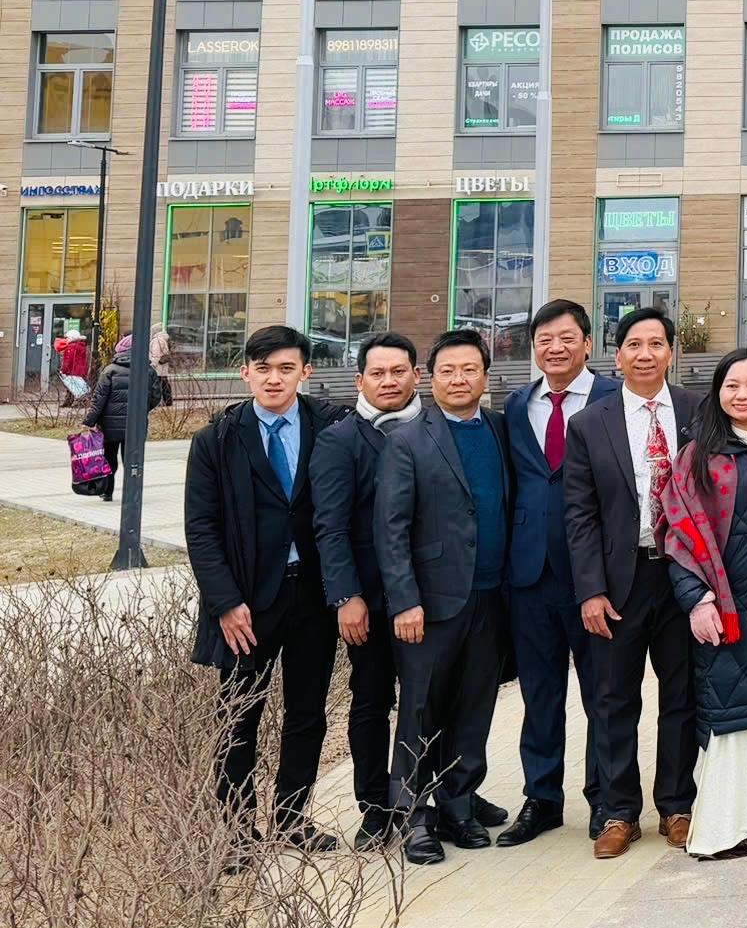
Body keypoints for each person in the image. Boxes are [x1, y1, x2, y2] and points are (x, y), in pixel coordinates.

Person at [183, 322, 344, 853]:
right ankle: (236, 833)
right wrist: (225, 602)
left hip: (313, 597)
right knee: (238, 718)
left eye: (286, 368)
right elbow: (201, 529)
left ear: (305, 372)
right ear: (245, 372)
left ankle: (293, 819)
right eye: (264, 369)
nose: (274, 379)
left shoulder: (330, 427)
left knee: (307, 712)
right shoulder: (217, 439)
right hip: (246, 603)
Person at [563, 306, 700, 858]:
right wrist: (590, 590)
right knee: (613, 697)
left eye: (656, 344)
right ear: (616, 357)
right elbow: (579, 515)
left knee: (682, 695)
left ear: (670, 352)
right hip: (620, 581)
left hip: (682, 576)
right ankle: (618, 811)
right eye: (634, 345)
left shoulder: (697, 411)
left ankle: (677, 805)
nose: (645, 354)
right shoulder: (590, 423)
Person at [377, 330, 516, 865]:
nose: (459, 380)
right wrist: (404, 600)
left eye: (469, 370)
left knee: (474, 706)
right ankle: (413, 816)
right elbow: (390, 528)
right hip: (430, 604)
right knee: (419, 708)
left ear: (486, 376)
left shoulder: (500, 430)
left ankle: (458, 801)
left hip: (490, 595)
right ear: (427, 379)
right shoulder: (407, 439)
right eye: (447, 371)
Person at [660, 347, 747, 858]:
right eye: (732, 385)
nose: (742, 395)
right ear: (717, 392)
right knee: (731, 715)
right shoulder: (699, 455)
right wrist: (697, 600)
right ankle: (725, 828)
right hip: (725, 606)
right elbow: (680, 535)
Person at [499, 298, 619, 847]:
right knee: (539, 694)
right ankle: (542, 798)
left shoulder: (615, 400)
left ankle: (605, 801)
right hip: (529, 573)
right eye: (544, 339)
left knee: (602, 693)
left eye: (567, 337)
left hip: (596, 575)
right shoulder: (514, 404)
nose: (555, 347)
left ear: (588, 344)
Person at [309, 331, 421, 849]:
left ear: (415, 375)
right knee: (372, 703)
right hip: (370, 604)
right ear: (360, 381)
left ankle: (428, 798)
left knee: (431, 702)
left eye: (398, 371)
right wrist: (345, 596)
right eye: (378, 373)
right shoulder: (339, 440)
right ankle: (375, 807)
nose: (389, 381)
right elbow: (329, 526)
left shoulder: (437, 427)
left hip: (432, 598)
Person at [82, 332, 169, 501]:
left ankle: (106, 491)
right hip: (135, 425)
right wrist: (141, 410)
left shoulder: (110, 371)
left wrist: (89, 421)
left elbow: (98, 399)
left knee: (109, 458)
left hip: (109, 425)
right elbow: (155, 397)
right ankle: (131, 493)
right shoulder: (148, 371)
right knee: (132, 460)